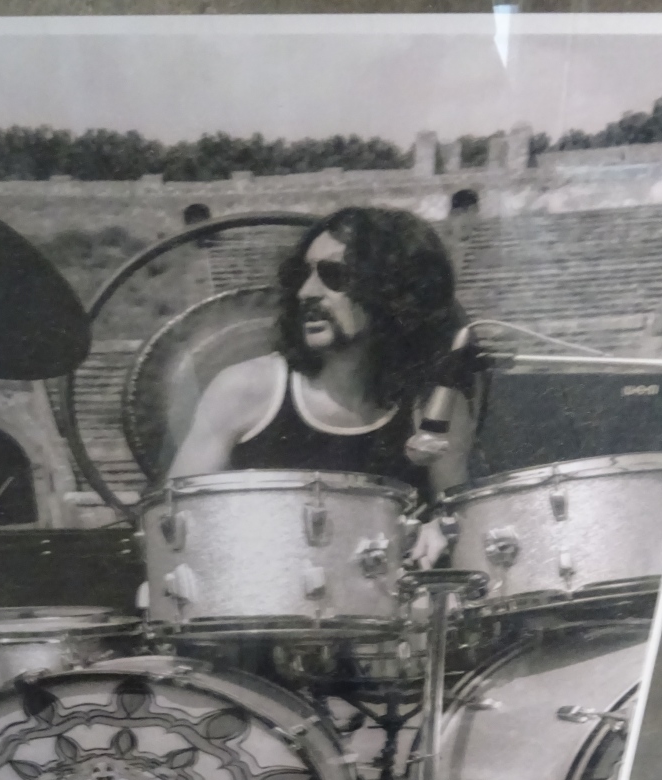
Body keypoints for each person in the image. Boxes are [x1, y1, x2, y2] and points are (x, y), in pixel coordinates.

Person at [169, 206, 480, 568]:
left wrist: (444, 529)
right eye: (302, 274)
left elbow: (458, 523)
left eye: (334, 275)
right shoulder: (244, 390)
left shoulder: (435, 405)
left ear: (393, 289)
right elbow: (171, 526)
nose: (306, 292)